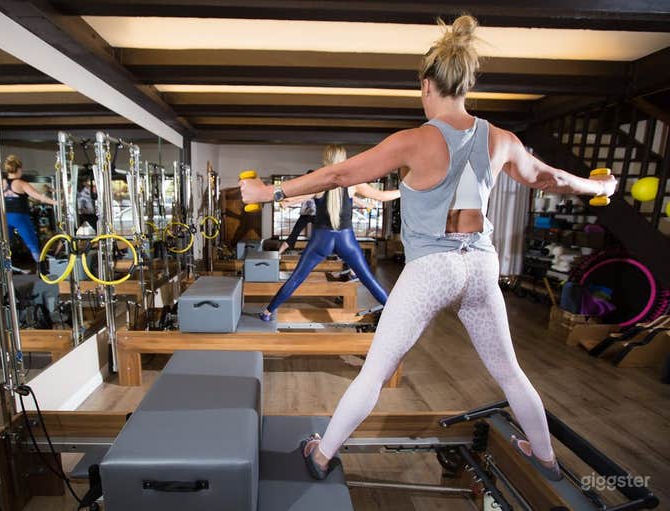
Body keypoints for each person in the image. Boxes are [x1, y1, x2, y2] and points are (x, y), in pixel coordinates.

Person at [241, 15, 616, 481]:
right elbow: (551, 178)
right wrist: (601, 184)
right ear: (466, 85)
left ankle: (320, 454)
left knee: (375, 370)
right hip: (480, 265)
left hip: (432, 269)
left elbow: (339, 175)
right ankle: (546, 459)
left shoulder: (415, 140)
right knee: (510, 371)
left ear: (427, 85)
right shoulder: (502, 139)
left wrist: (269, 194)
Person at [259, 145, 400, 322]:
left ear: (325, 160)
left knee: (296, 278)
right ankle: (396, 317)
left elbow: (291, 196)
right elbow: (382, 196)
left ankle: (267, 312)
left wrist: (273, 197)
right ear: (344, 160)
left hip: (321, 240)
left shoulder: (318, 183)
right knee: (368, 279)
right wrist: (405, 190)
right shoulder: (354, 183)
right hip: (346, 240)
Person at [2, 155, 56, 264]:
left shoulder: (2, 182)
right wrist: (56, 202)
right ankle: (41, 269)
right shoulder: (21, 183)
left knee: (2, 244)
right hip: (19, 216)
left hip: (4, 216)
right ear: (19, 169)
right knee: (32, 242)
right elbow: (39, 196)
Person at [278, 170, 316, 255]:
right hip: (305, 214)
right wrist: (287, 201)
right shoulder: (304, 187)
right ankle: (278, 254)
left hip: (315, 214)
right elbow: (297, 197)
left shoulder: (318, 187)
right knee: (293, 234)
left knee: (322, 234)